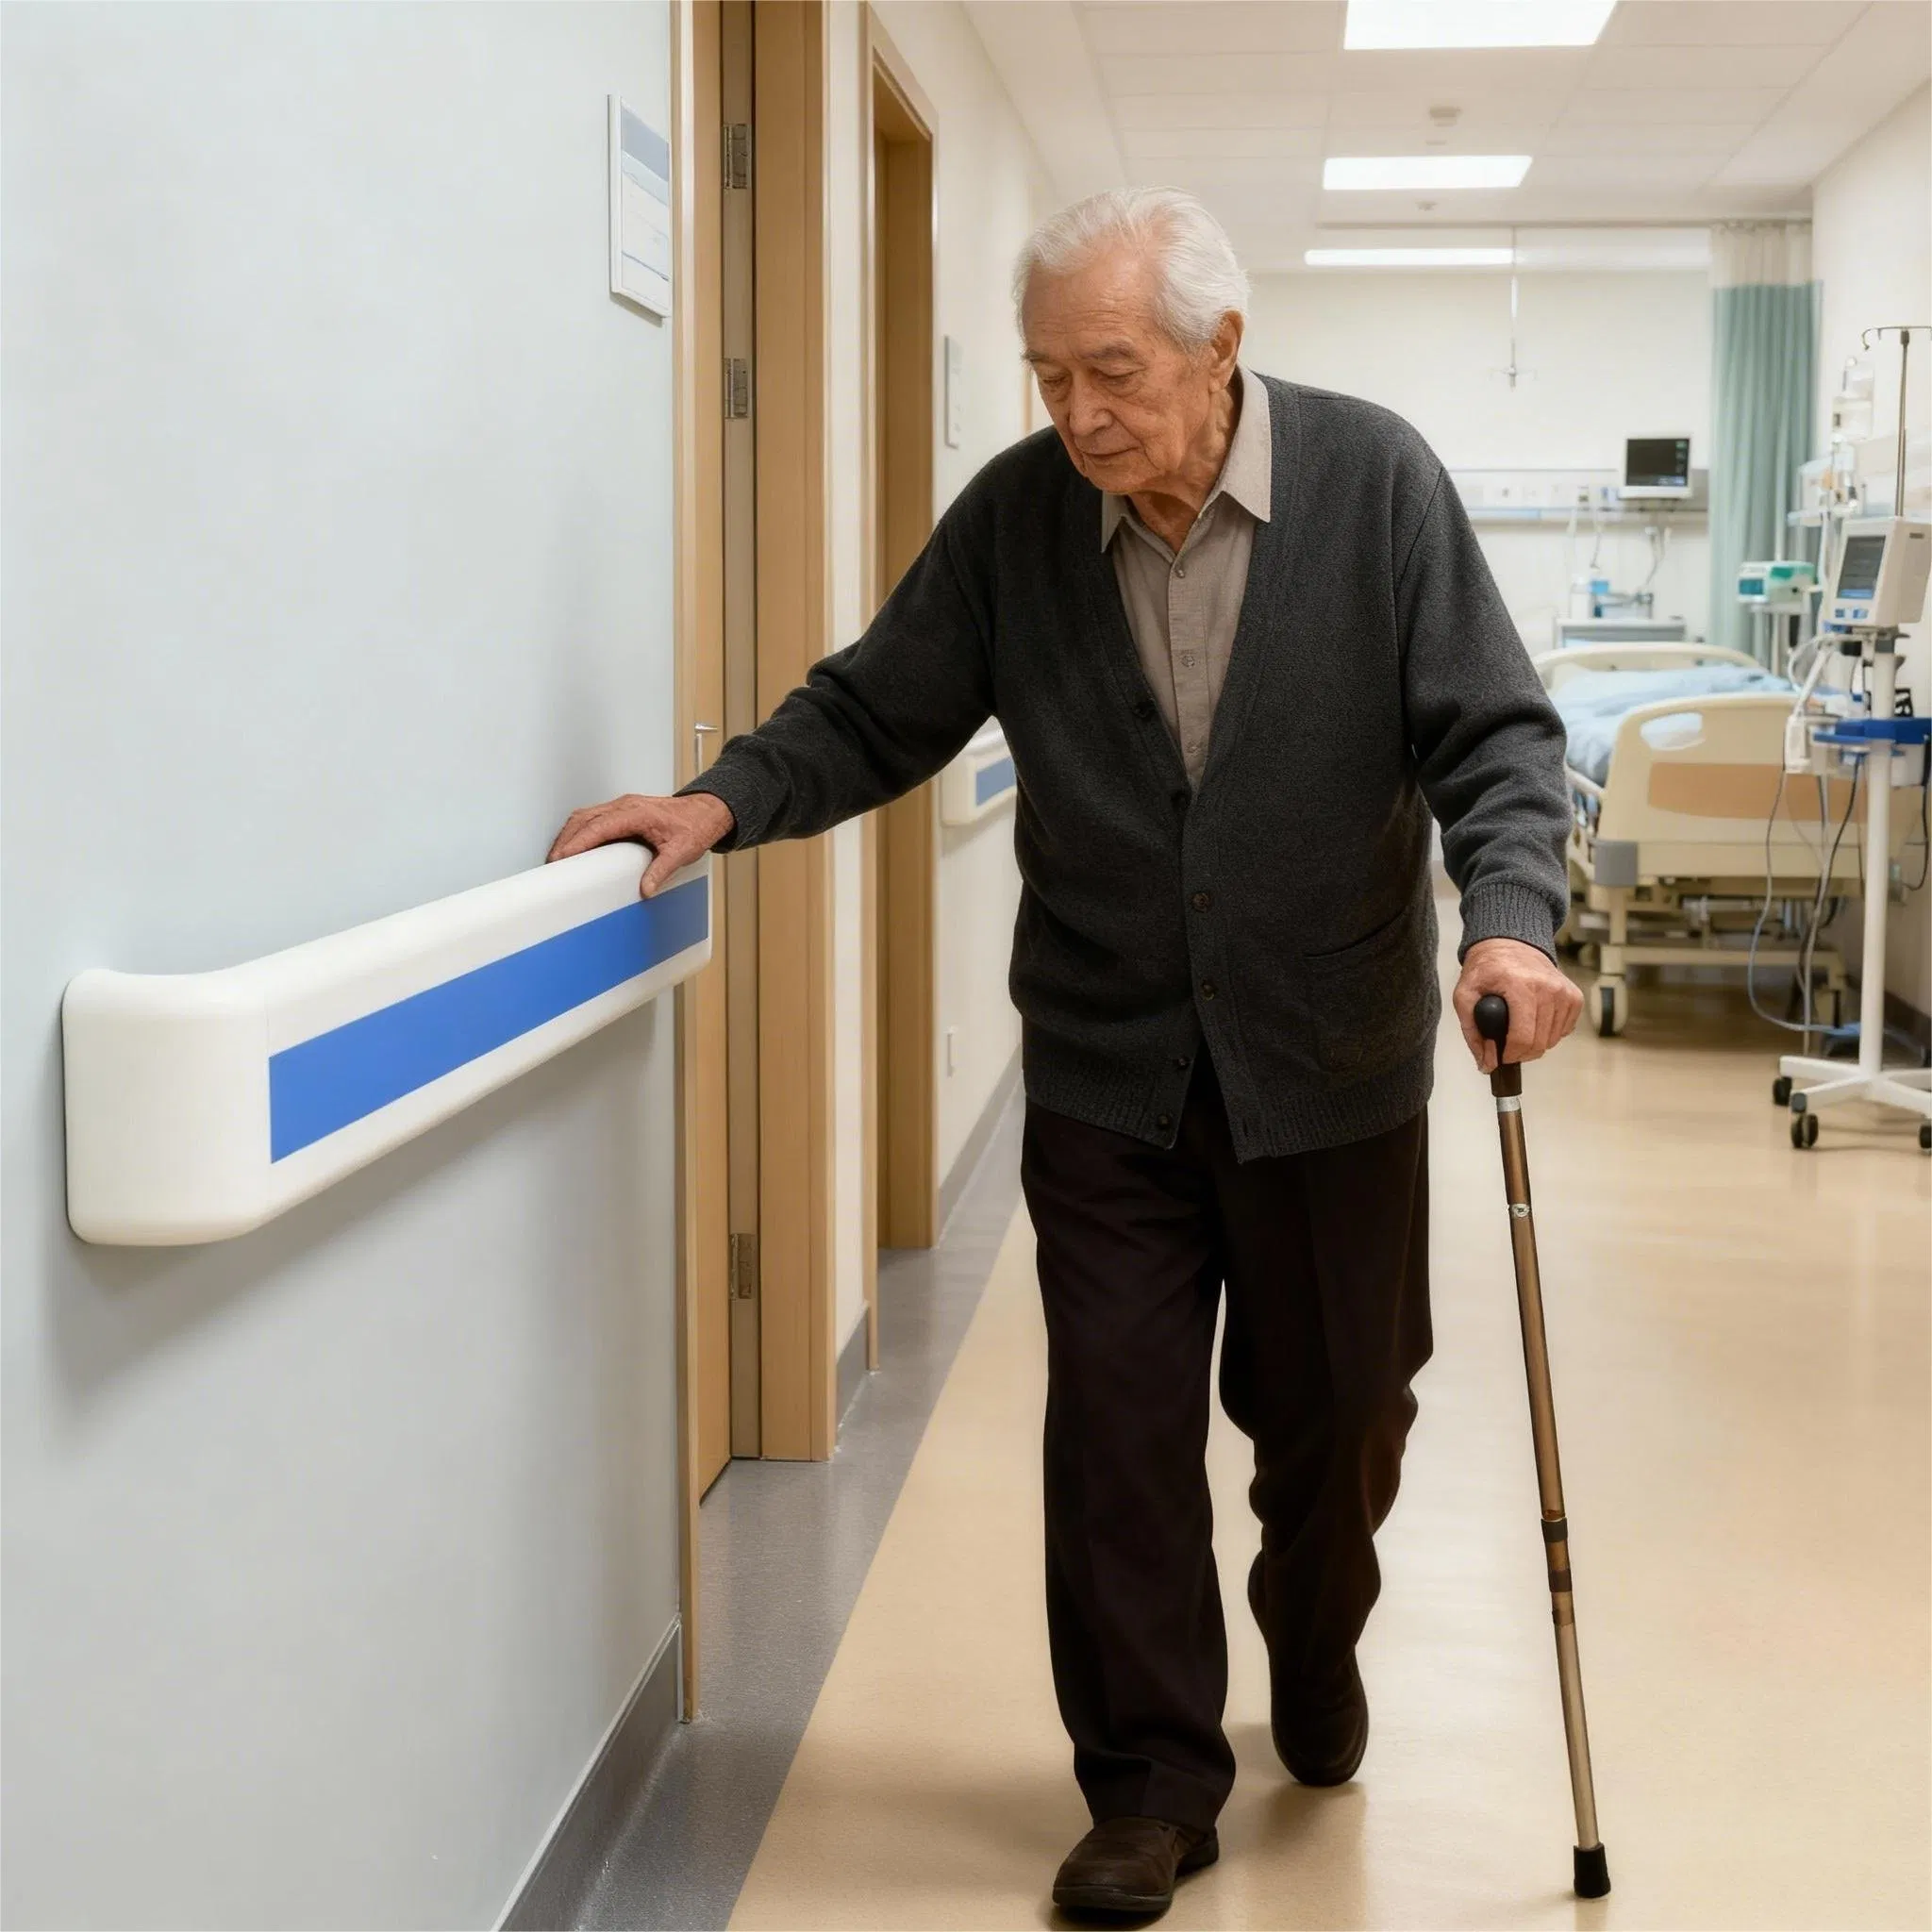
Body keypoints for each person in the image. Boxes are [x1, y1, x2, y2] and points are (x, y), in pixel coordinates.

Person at [550, 187, 1581, 1919]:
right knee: (1112, 1434)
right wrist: (722, 796)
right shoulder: (1025, 521)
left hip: (1329, 1070)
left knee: (1342, 1418)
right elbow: (878, 704)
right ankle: (1153, 1780)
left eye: (1113, 370)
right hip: (1108, 1073)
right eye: (1050, 377)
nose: (1081, 414)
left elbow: (1493, 731)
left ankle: (1314, 1634)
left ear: (1220, 348)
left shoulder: (1378, 484)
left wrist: (1511, 915)